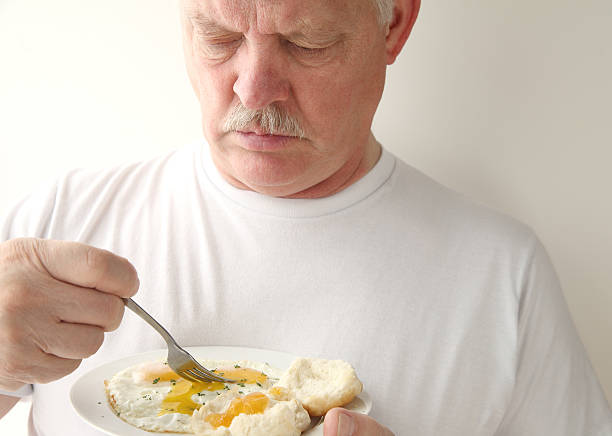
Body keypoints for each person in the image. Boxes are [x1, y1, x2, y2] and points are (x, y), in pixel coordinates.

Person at [0, 0, 611, 434]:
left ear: (393, 22)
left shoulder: (503, 274)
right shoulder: (59, 222)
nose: (253, 88)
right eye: (218, 36)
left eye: (306, 43)